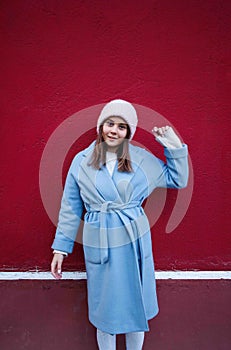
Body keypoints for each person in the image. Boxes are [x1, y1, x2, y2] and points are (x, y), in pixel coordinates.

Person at [51, 99, 189, 349]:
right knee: (106, 312)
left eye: (122, 127)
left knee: (137, 310)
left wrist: (174, 147)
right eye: (110, 123)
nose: (114, 130)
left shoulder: (141, 159)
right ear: (101, 125)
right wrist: (61, 248)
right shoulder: (81, 161)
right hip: (100, 239)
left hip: (133, 237)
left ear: (129, 132)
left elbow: (177, 179)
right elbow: (71, 206)